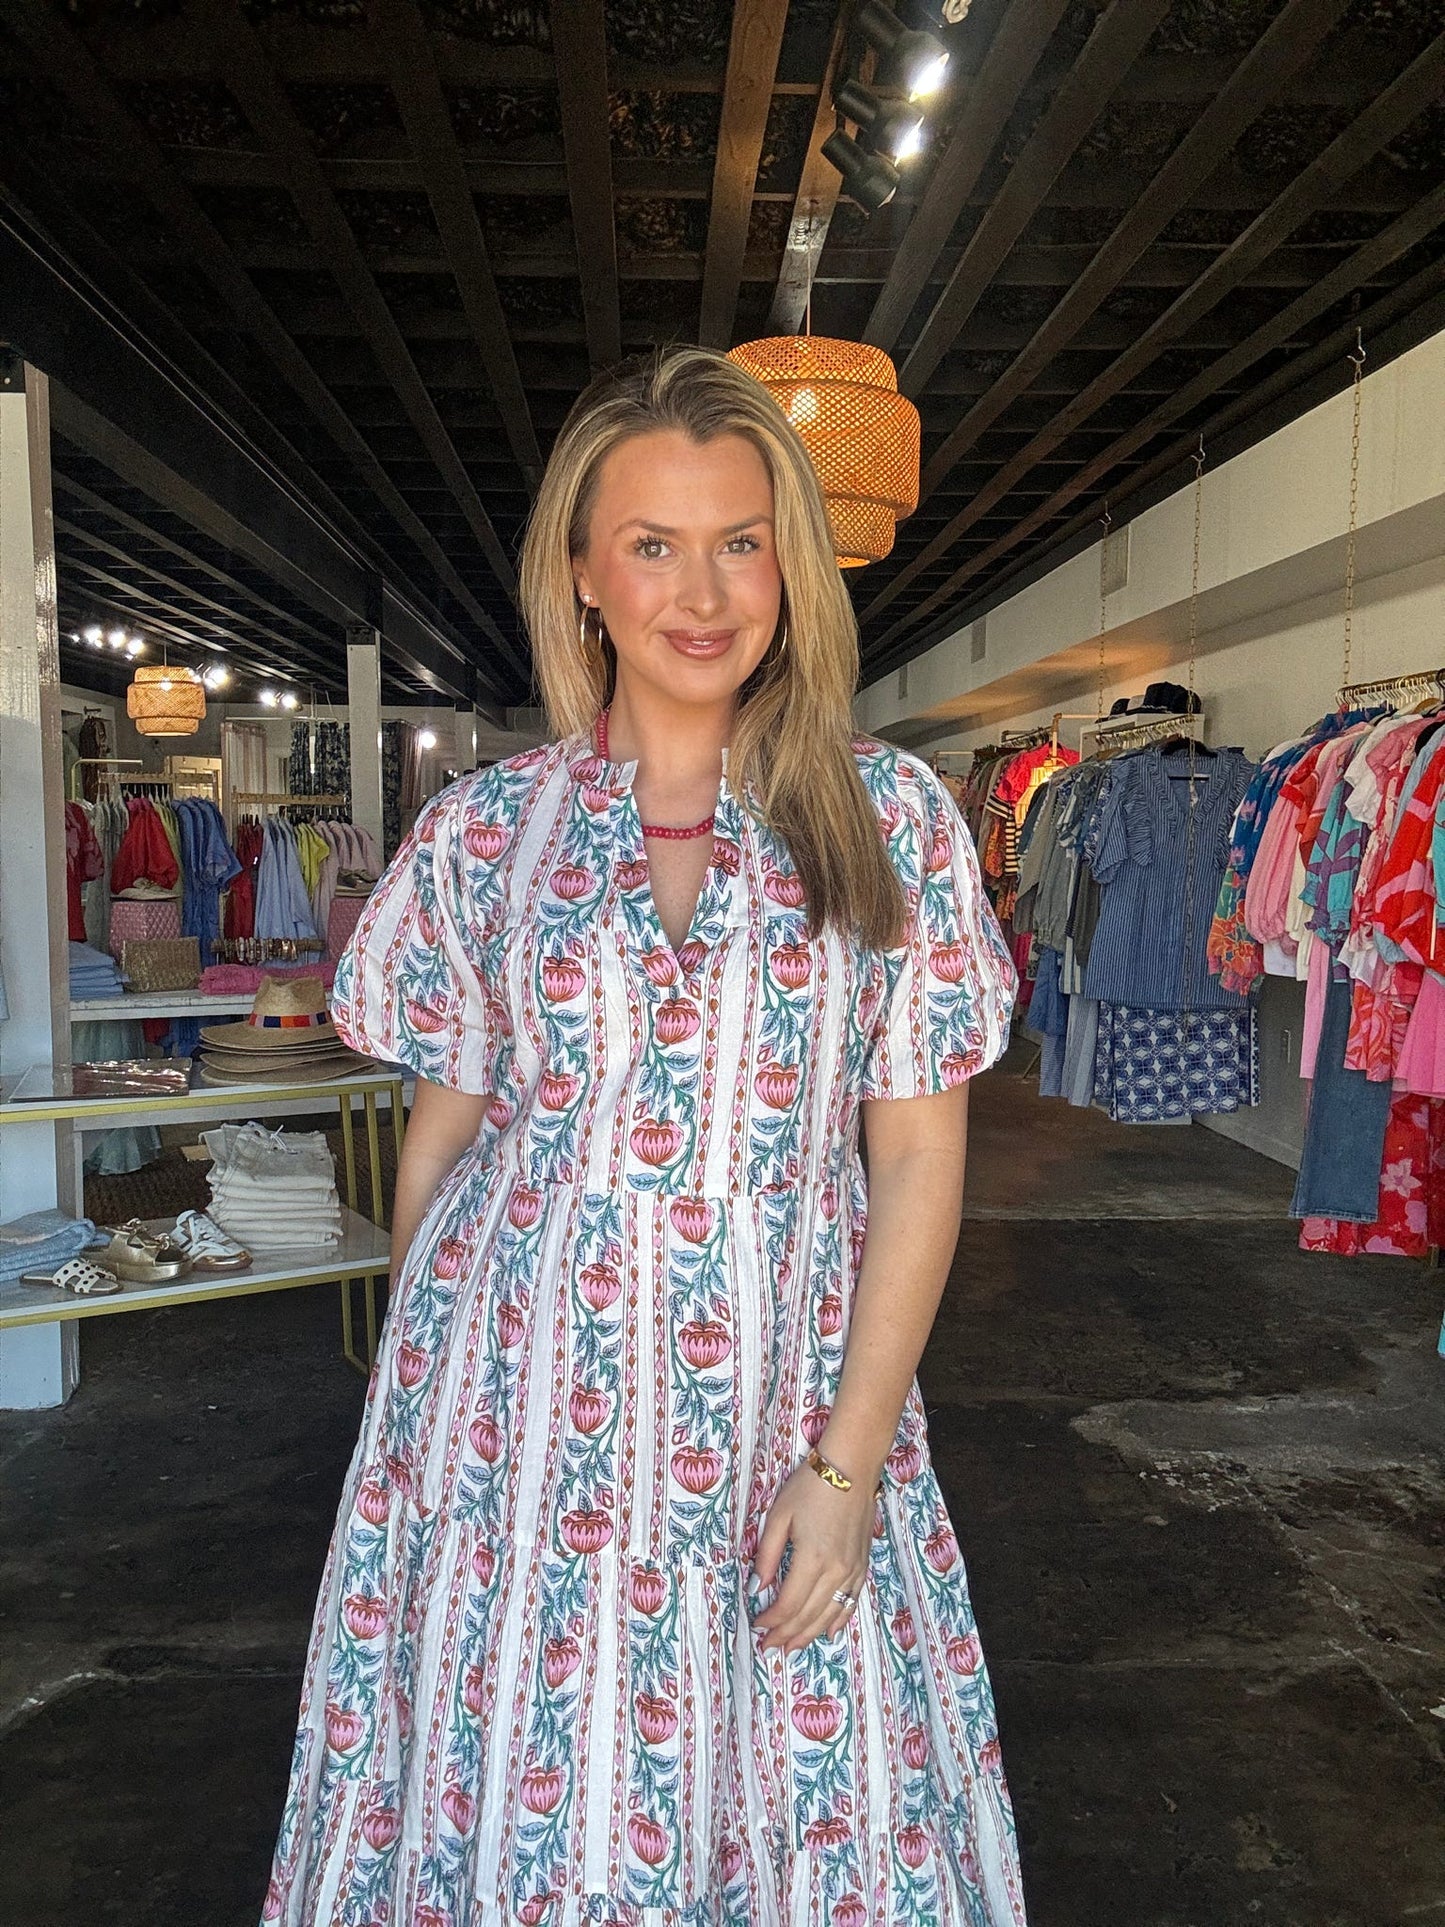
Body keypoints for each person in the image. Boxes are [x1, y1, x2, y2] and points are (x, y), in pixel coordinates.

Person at [261, 346, 1027, 1925]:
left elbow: (916, 1162)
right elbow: (443, 1140)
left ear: (792, 570)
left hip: (786, 1392)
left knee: (819, 1780)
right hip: (516, 1416)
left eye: (741, 540)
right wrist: (420, 1404)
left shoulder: (886, 820)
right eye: (654, 544)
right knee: (525, 1800)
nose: (703, 590)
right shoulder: (486, 828)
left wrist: (851, 1458)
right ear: (583, 575)